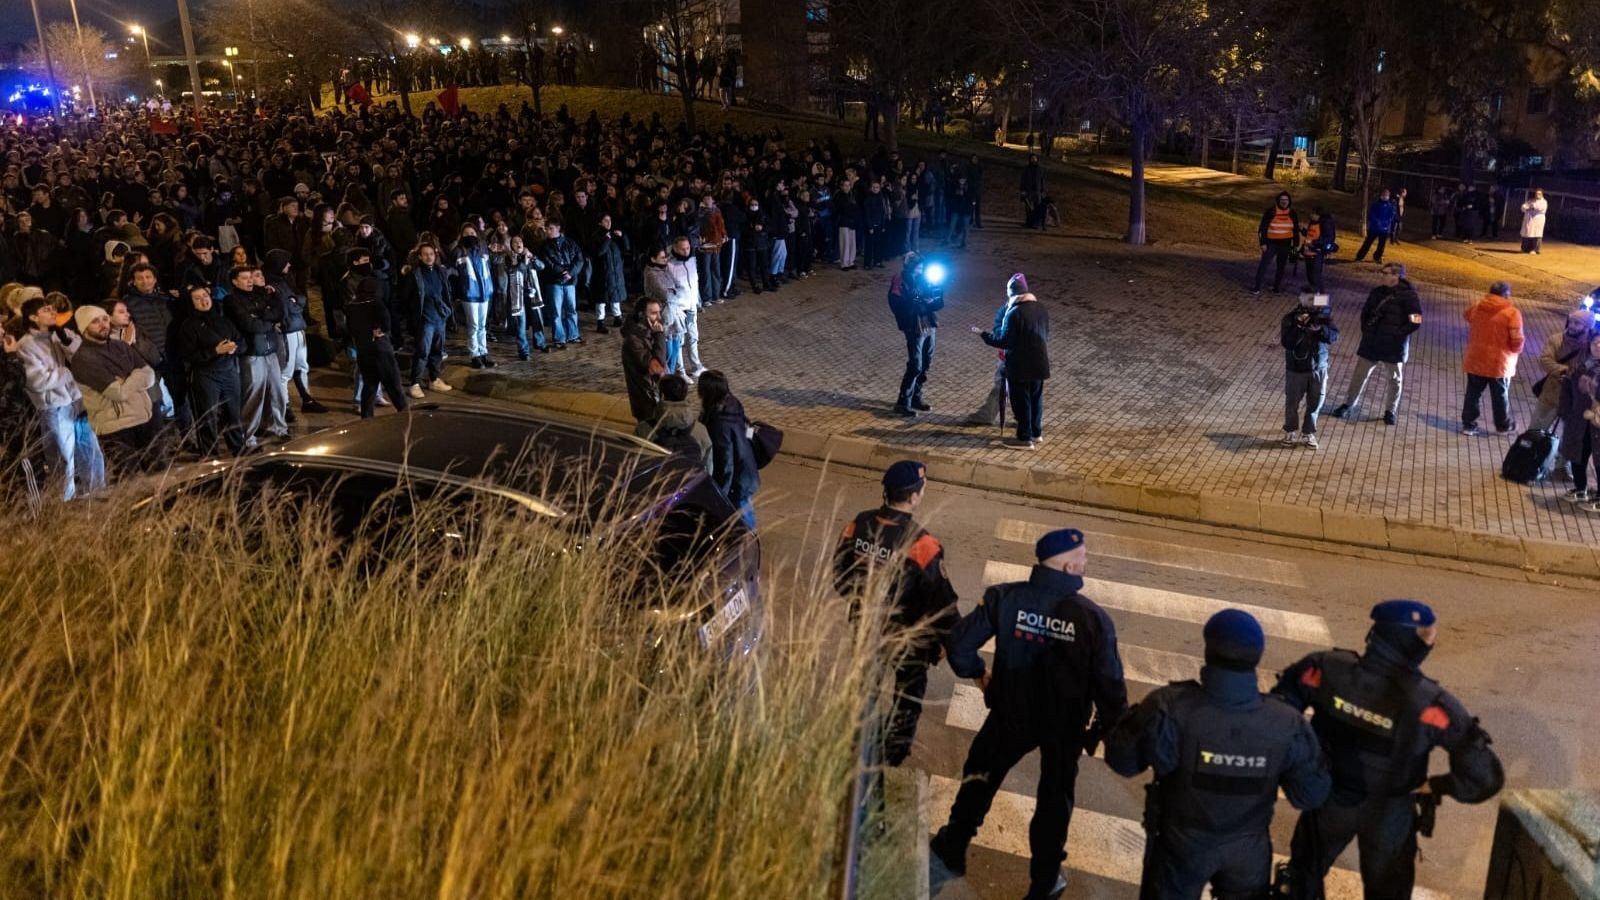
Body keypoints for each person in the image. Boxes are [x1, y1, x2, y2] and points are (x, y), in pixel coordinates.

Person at [930, 528, 1128, 900]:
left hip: (1010, 712)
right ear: (1070, 565)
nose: (1085, 561)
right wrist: (1111, 726)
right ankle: (1044, 881)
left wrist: (979, 675)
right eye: (1083, 556)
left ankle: (953, 846)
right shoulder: (1093, 619)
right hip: (1064, 724)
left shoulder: (1005, 598)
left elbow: (959, 644)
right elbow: (1111, 685)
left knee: (980, 775)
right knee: (1054, 798)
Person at [1276, 600, 1504, 898]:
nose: (1430, 642)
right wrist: (1437, 786)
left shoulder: (1324, 669)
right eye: (1425, 635)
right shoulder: (1432, 706)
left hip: (1328, 801)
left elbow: (1278, 715)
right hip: (1390, 816)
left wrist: (1303, 769)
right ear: (1406, 641)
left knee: (1301, 881)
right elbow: (1484, 778)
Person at [1105, 610, 1331, 898]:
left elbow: (1122, 761)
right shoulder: (1286, 722)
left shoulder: (1169, 706)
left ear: (1208, 649)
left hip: (1180, 845)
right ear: (1257, 657)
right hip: (1248, 852)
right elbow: (1310, 795)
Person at [832, 460, 959, 769]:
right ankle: (893, 757)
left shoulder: (858, 524)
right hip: (907, 636)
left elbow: (840, 575)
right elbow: (942, 604)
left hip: (865, 627)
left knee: (866, 688)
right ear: (914, 497)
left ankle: (861, 746)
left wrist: (862, 602)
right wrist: (949, 643)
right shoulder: (921, 543)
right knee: (907, 696)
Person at [15, 296, 106, 499]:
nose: (52, 313)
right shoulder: (25, 345)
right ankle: (65, 502)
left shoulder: (60, 335)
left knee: (90, 449)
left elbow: (83, 358)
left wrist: (67, 342)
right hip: (54, 406)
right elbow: (37, 381)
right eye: (46, 310)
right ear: (33, 317)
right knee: (63, 458)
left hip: (76, 400)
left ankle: (97, 492)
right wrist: (69, 372)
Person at [67, 304, 164, 472]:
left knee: (161, 476)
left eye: (105, 319)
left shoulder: (121, 346)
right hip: (115, 427)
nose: (103, 324)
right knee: (130, 484)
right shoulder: (83, 359)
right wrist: (135, 377)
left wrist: (127, 380)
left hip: (143, 418)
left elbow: (149, 375)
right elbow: (118, 393)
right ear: (84, 328)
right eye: (95, 322)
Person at [1330, 263, 1422, 426]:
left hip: (1394, 346)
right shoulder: (1377, 292)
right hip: (1372, 342)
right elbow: (1365, 313)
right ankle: (1348, 404)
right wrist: (1367, 329)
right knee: (1359, 376)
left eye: (1385, 273)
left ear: (1396, 276)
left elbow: (1416, 320)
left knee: (1395, 380)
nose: (1381, 276)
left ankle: (1390, 411)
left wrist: (1397, 334)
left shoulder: (1409, 296)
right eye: (1381, 272)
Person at [176, 284, 247, 457]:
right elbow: (188, 355)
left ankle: (239, 449)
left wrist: (234, 349)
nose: (203, 300)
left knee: (233, 413)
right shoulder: (188, 326)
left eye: (205, 296)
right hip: (206, 375)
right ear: (191, 303)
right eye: (198, 298)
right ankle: (210, 455)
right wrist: (215, 351)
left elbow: (242, 342)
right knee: (207, 417)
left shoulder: (223, 320)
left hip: (229, 372)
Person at [982, 273, 1049, 449]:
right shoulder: (1040, 308)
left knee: (1021, 401)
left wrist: (984, 336)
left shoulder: (1013, 313)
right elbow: (1046, 334)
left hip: (1020, 365)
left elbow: (1005, 341)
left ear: (1011, 293)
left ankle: (1024, 438)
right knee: (1036, 399)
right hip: (1040, 363)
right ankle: (1036, 433)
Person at [223, 265, 287, 445]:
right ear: (235, 281)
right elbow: (251, 325)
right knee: (253, 395)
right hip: (252, 353)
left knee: (277, 392)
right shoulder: (232, 300)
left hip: (270, 349)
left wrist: (266, 313)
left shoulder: (261, 293)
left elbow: (279, 313)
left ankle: (277, 428)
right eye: (244, 278)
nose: (250, 281)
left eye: (250, 277)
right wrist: (268, 320)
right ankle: (247, 436)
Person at [264, 249, 326, 418]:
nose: (289, 265)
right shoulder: (270, 284)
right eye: (286, 262)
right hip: (287, 331)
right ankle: (285, 407)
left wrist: (295, 302)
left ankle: (307, 399)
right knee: (286, 371)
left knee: (302, 366)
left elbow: (299, 300)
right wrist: (294, 303)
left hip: (297, 327)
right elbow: (286, 307)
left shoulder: (284, 280)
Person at [345, 259, 410, 419]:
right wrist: (382, 331)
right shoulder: (376, 302)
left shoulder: (352, 306)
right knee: (393, 385)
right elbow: (387, 322)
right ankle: (405, 415)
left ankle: (367, 418)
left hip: (363, 349)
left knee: (369, 384)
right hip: (380, 349)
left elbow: (349, 329)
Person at [1461, 281, 1525, 436]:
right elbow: (1517, 338)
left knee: (1473, 393)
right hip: (1499, 362)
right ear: (1507, 294)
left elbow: (1467, 315)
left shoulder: (1478, 306)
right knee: (1500, 395)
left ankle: (1469, 425)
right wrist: (1516, 351)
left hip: (1476, 358)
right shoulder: (1512, 313)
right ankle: (1502, 425)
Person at [698, 370, 759, 529]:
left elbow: (726, 461)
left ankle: (750, 543)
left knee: (743, 511)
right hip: (745, 468)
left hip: (738, 479)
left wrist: (720, 494)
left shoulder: (719, 423)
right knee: (744, 507)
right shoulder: (732, 404)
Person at [888, 253, 945, 417]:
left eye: (922, 267)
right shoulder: (900, 279)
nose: (921, 270)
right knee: (915, 365)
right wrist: (914, 303)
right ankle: (903, 401)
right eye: (918, 267)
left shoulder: (924, 279)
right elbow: (896, 303)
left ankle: (915, 397)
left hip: (929, 324)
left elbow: (938, 301)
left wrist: (935, 297)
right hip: (914, 326)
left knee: (926, 363)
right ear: (911, 267)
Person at [1280, 292, 1339, 449]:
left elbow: (1334, 337)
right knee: (1292, 402)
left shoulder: (1324, 316)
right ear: (1301, 298)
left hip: (1318, 367)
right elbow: (1287, 342)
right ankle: (1291, 430)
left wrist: (1320, 330)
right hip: (1296, 367)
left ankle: (1308, 433)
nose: (1313, 302)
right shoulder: (1291, 318)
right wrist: (1299, 327)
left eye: (1315, 298)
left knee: (1315, 402)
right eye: (1309, 298)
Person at [406, 243, 457, 397]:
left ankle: (434, 379)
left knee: (437, 350)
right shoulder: (414, 275)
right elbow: (406, 298)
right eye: (425, 254)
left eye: (431, 254)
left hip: (439, 317)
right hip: (425, 318)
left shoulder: (440, 271)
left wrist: (448, 313)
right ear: (420, 256)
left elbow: (446, 292)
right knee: (422, 351)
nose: (429, 257)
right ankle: (414, 383)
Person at [1559, 334, 1600, 510]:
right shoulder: (1579, 366)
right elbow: (1567, 388)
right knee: (1578, 454)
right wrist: (1566, 411)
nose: (1598, 346)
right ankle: (1580, 488)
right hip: (1579, 419)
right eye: (1595, 342)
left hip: (1597, 422)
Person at [642, 373, 711, 467]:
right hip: (689, 480)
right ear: (685, 395)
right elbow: (707, 467)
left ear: (662, 395)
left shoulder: (643, 429)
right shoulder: (701, 431)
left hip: (658, 480)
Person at [622, 296, 668, 432]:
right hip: (646, 399)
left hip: (653, 394)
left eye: (659, 312)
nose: (659, 317)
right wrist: (659, 335)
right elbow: (656, 366)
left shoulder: (647, 332)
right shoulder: (633, 340)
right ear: (642, 315)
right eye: (654, 313)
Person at [538, 219, 585, 349]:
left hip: (570, 281)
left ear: (558, 228)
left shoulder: (570, 242)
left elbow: (579, 259)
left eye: (551, 228)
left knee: (571, 309)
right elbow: (547, 263)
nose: (548, 231)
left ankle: (573, 335)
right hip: (554, 282)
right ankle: (559, 338)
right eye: (546, 229)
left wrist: (570, 272)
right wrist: (562, 272)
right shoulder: (544, 245)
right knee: (556, 311)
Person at [454, 230, 496, 369]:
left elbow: (488, 268)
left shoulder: (482, 250)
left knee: (482, 326)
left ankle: (483, 353)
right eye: (465, 233)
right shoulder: (459, 251)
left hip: (483, 292)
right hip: (469, 293)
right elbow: (454, 270)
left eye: (472, 232)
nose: (469, 235)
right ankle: (474, 355)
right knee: (474, 326)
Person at [668, 236, 704, 376]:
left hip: (692, 306)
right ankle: (680, 371)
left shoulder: (692, 260)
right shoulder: (669, 265)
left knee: (693, 337)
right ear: (675, 248)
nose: (686, 251)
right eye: (682, 249)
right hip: (679, 309)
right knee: (679, 341)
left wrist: (697, 300)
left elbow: (695, 282)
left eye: (688, 248)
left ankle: (697, 366)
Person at [588, 213, 631, 333]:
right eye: (606, 220)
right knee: (601, 299)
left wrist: (623, 237)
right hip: (602, 273)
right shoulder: (596, 236)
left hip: (616, 271)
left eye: (610, 220)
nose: (609, 223)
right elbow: (599, 252)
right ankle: (600, 322)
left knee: (615, 296)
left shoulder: (613, 236)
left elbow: (626, 248)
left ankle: (617, 317)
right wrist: (606, 239)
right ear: (600, 222)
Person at [1252, 192, 1299, 295]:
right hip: (1271, 243)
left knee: (1281, 267)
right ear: (1278, 201)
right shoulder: (1271, 212)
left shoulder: (1292, 213)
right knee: (1264, 265)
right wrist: (1263, 243)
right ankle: (1257, 287)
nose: (1284, 202)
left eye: (1286, 200)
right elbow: (1262, 228)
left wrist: (1295, 247)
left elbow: (1295, 231)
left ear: (1289, 201)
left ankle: (1276, 287)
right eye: (1282, 200)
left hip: (1285, 244)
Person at [1353, 189, 1396, 264]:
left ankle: (1377, 257)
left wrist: (1385, 224)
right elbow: (1372, 214)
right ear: (1381, 195)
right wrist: (1377, 222)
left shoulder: (1390, 206)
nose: (1385, 196)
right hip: (1374, 228)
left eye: (1387, 195)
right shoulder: (1376, 204)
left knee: (1381, 246)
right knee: (1368, 243)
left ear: (1389, 196)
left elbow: (1391, 217)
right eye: (1384, 194)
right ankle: (1360, 256)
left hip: (1384, 230)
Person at [1301, 206, 1335, 293]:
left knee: (1316, 275)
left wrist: (1314, 243)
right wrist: (1302, 230)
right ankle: (1313, 289)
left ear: (1318, 215)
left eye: (1313, 213)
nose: (1311, 215)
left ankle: (1320, 295)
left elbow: (1327, 238)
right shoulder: (1313, 222)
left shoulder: (1325, 224)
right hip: (1308, 251)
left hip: (1317, 253)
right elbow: (1310, 235)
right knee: (1310, 274)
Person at [1519, 190, 1548, 254]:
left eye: (1539, 193)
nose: (1538, 195)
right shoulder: (1530, 201)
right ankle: (1525, 248)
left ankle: (1534, 249)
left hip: (1538, 221)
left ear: (1542, 194)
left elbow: (1539, 208)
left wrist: (1531, 207)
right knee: (1526, 234)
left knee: (1536, 235)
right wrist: (1528, 208)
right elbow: (1523, 207)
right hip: (1529, 220)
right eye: (1537, 193)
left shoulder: (1544, 202)